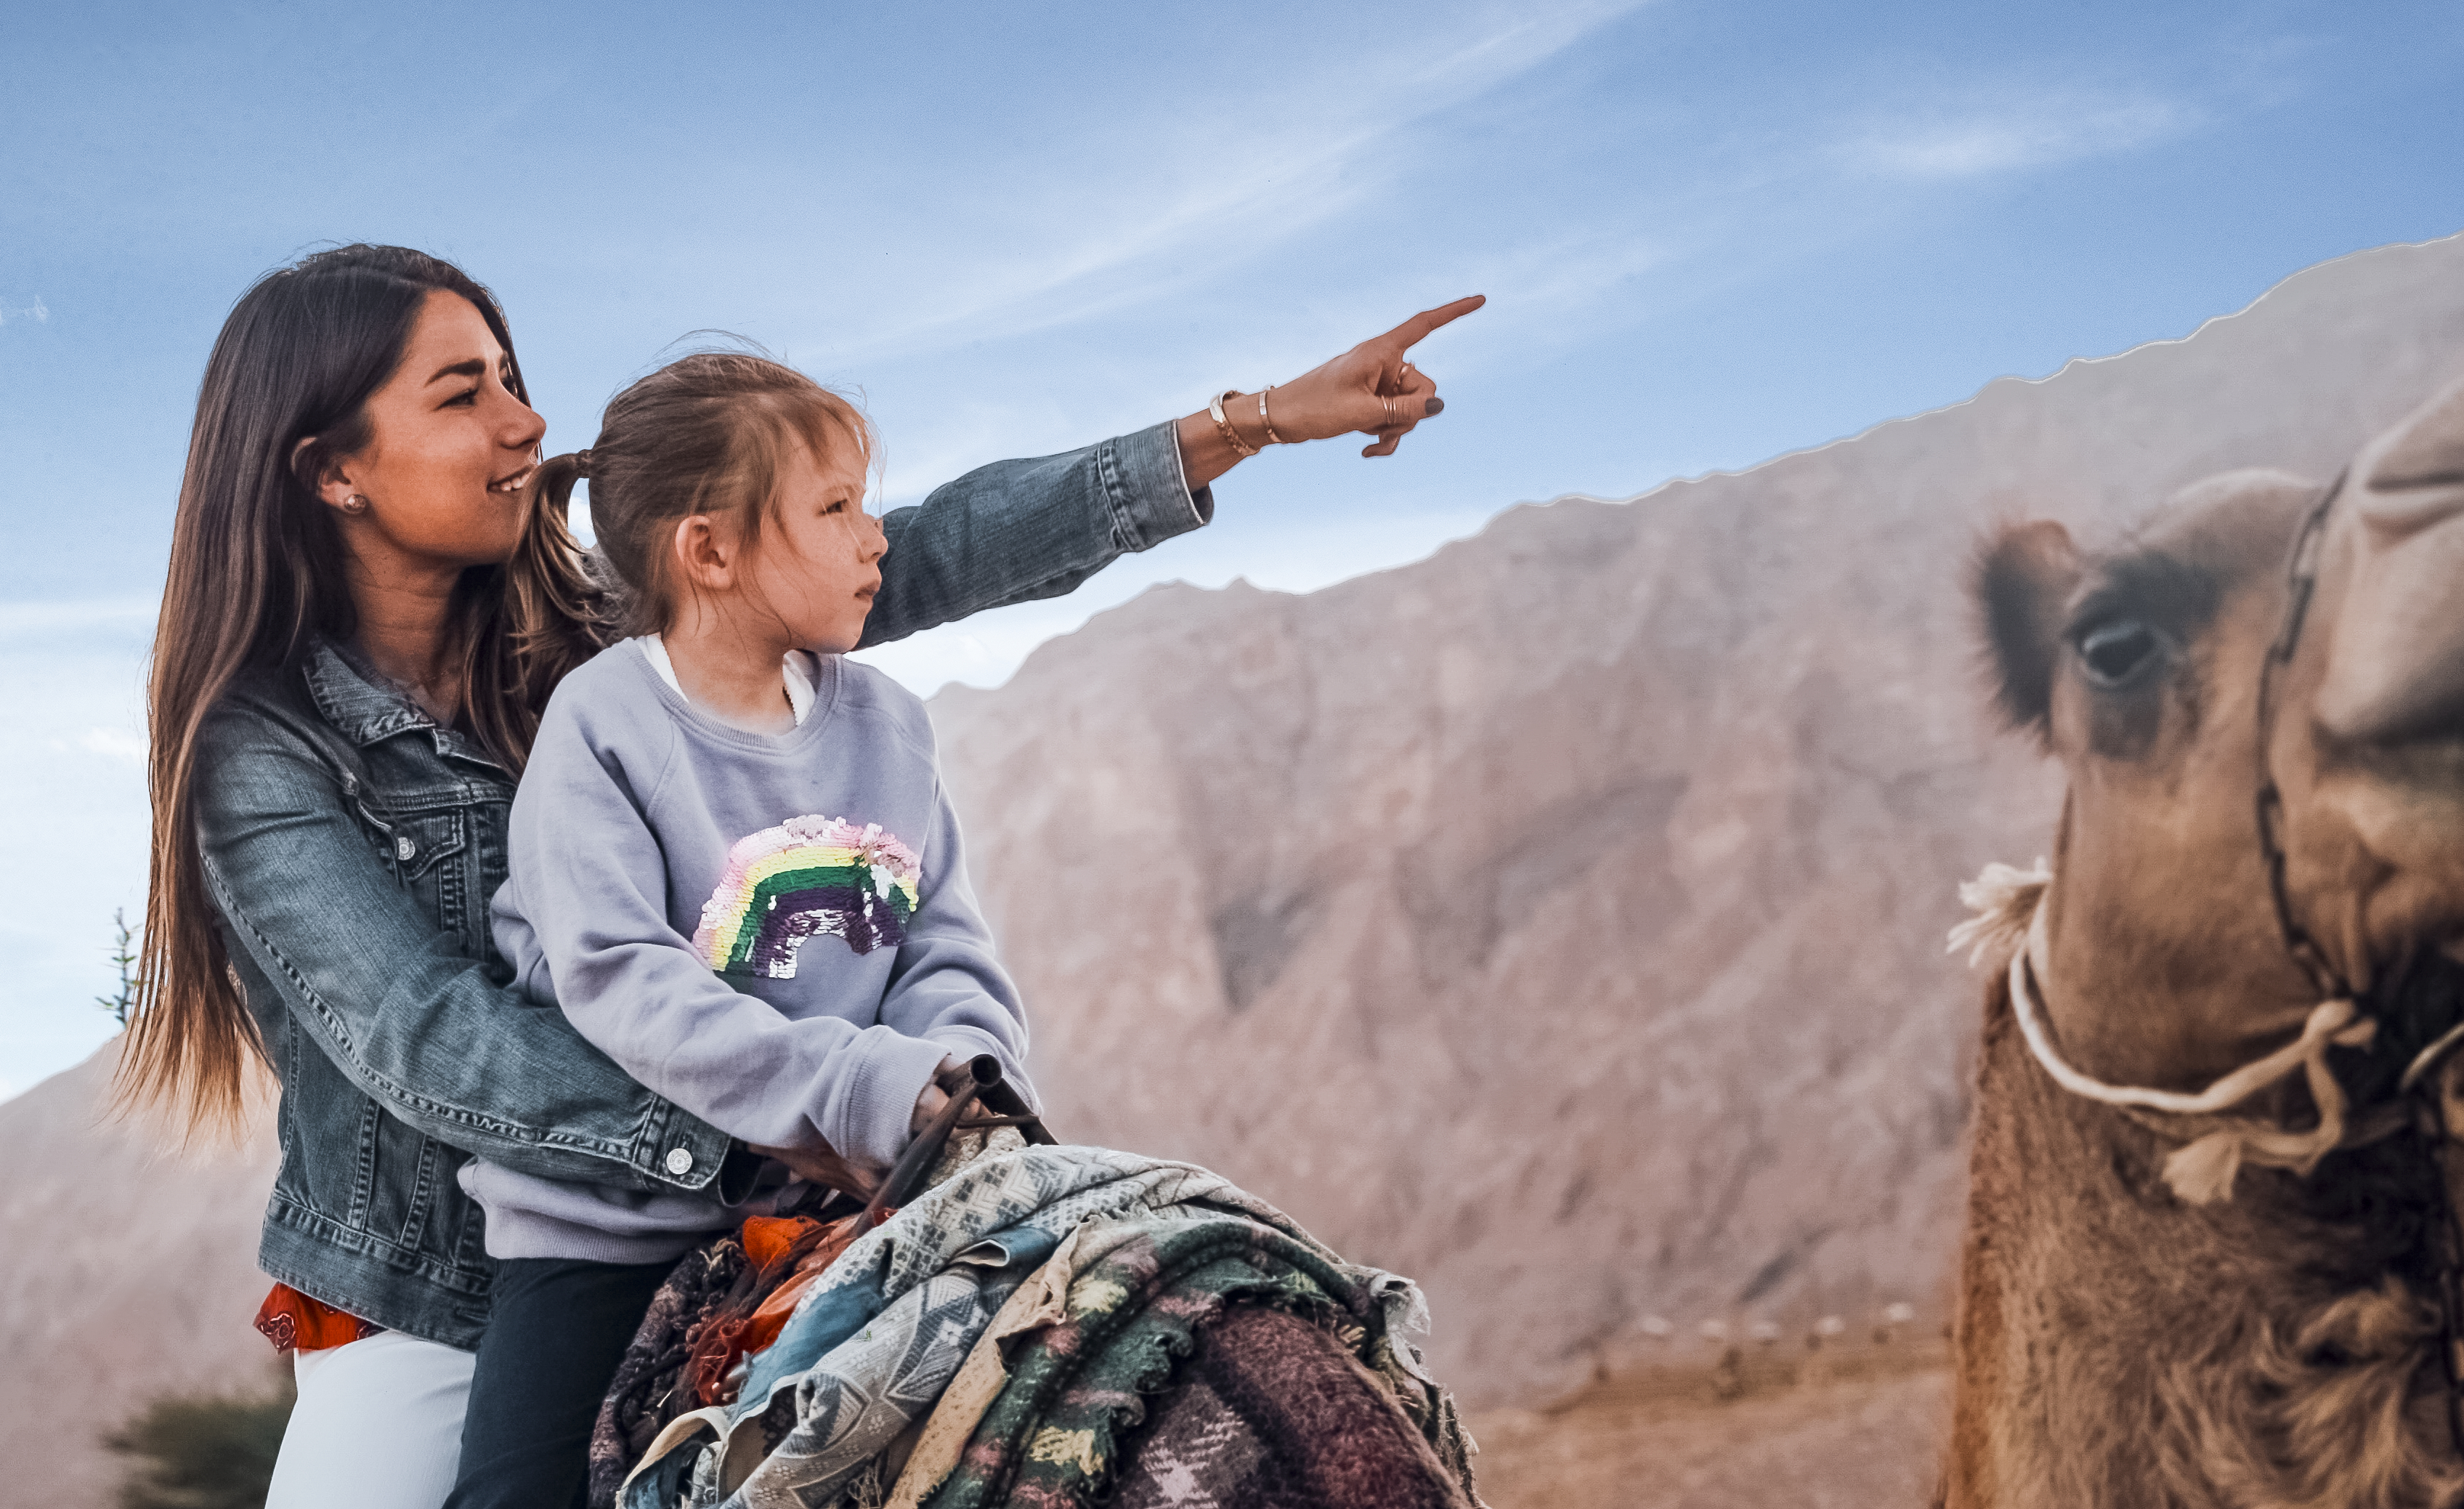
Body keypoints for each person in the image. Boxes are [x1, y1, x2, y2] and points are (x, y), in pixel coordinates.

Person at [122, 242, 1478, 1509]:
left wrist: (1243, 424)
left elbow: (903, 546)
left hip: (791, 1180)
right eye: (463, 394)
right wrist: (790, 1124)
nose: (526, 422)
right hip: (457, 1296)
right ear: (330, 470)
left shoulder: (610, 625)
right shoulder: (260, 751)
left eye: (517, 379)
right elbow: (430, 1041)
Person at [448, 351, 1037, 1506]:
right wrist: (862, 1087)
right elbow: (618, 978)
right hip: (609, 1229)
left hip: (854, 1193)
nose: (875, 537)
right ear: (708, 550)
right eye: (834, 507)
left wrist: (962, 1081)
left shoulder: (888, 724)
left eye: (865, 502)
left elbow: (942, 944)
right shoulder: (604, 726)